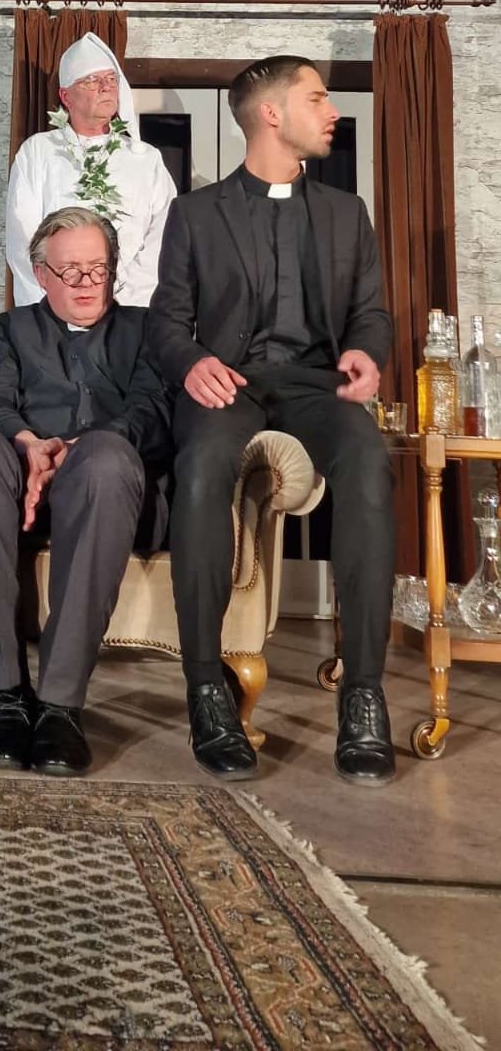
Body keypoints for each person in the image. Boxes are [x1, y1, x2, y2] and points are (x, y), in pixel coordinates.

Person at [147, 56, 395, 786]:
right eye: (317, 98)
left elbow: (371, 314)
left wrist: (366, 352)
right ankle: (205, 688)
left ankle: (364, 695)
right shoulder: (196, 214)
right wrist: (192, 361)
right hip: (232, 383)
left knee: (368, 462)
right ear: (271, 113)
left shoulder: (347, 213)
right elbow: (166, 322)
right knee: (200, 470)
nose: (332, 111)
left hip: (317, 385)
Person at [0, 207, 171, 776]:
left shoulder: (147, 331)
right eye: (70, 271)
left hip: (111, 495)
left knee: (105, 459)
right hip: (17, 493)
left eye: (98, 269)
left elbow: (153, 411)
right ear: (41, 275)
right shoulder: (9, 331)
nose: (87, 283)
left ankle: (61, 706)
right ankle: (6, 696)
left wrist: (78, 447)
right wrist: (27, 444)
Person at [6, 32, 176, 307]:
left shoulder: (146, 158)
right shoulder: (38, 151)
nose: (105, 87)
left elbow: (164, 234)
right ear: (66, 96)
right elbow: (22, 238)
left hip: (130, 307)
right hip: (56, 308)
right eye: (92, 80)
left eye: (111, 79)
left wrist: (124, 297)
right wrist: (55, 304)